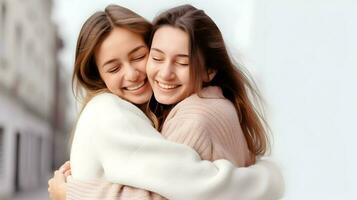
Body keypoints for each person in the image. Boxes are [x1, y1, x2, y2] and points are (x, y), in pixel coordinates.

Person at [48, 4, 284, 200]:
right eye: (114, 68)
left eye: (139, 56)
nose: (131, 74)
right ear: (98, 75)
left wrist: (71, 193)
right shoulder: (111, 113)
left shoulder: (188, 112)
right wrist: (268, 176)